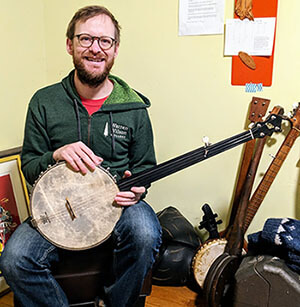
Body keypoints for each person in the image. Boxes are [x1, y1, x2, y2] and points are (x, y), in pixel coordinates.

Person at [0, 5, 162, 307]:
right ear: (70, 44)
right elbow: (30, 164)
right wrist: (56, 154)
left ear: (115, 50)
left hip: (117, 203)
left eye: (105, 41)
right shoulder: (44, 101)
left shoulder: (134, 107)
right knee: (14, 259)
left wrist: (139, 189)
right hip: (57, 206)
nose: (96, 49)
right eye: (86, 39)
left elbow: (144, 167)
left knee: (145, 234)